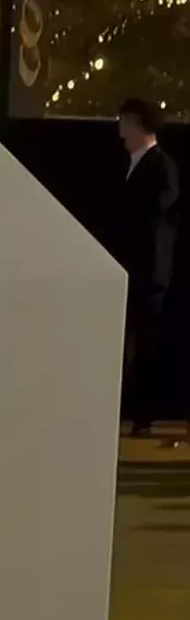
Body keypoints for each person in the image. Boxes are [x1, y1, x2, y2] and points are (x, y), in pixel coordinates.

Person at [117, 96, 180, 437]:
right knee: (128, 343)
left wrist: (148, 269)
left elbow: (157, 221)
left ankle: (142, 414)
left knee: (143, 344)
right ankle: (129, 411)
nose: (121, 132)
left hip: (148, 272)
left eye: (125, 123)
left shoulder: (161, 167)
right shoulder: (132, 165)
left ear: (140, 125)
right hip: (131, 269)